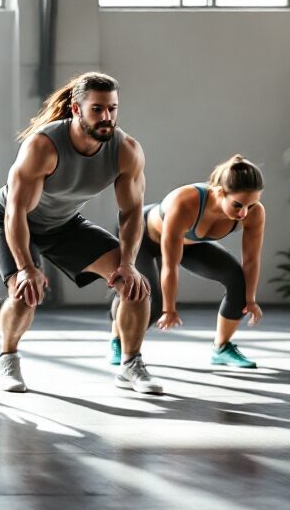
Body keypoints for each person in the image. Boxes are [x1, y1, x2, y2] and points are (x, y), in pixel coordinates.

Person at [0, 72, 163, 395]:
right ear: (76, 109)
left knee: (135, 287)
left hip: (63, 224)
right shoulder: (43, 147)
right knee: (25, 293)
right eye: (97, 109)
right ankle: (8, 358)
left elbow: (132, 212)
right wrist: (26, 269)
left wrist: (129, 263)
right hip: (10, 219)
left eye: (112, 108)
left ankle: (130, 363)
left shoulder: (127, 151)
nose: (106, 117)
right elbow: (15, 212)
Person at [109, 155, 266, 369]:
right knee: (149, 302)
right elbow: (170, 265)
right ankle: (119, 340)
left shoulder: (254, 213)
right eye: (238, 205)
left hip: (188, 244)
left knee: (238, 280)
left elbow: (251, 259)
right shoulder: (185, 202)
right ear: (220, 192)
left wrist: (249, 300)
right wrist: (169, 310)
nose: (244, 213)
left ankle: (222, 348)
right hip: (142, 239)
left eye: (251, 204)